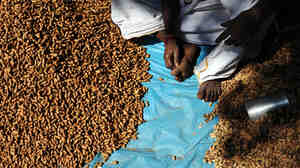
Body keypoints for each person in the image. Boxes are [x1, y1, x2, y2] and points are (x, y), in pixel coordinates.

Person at [111, 0, 281, 102]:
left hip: (225, 17)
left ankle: (212, 70)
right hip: (183, 15)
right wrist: (169, 36)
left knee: (251, 31)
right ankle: (180, 40)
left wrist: (253, 15)